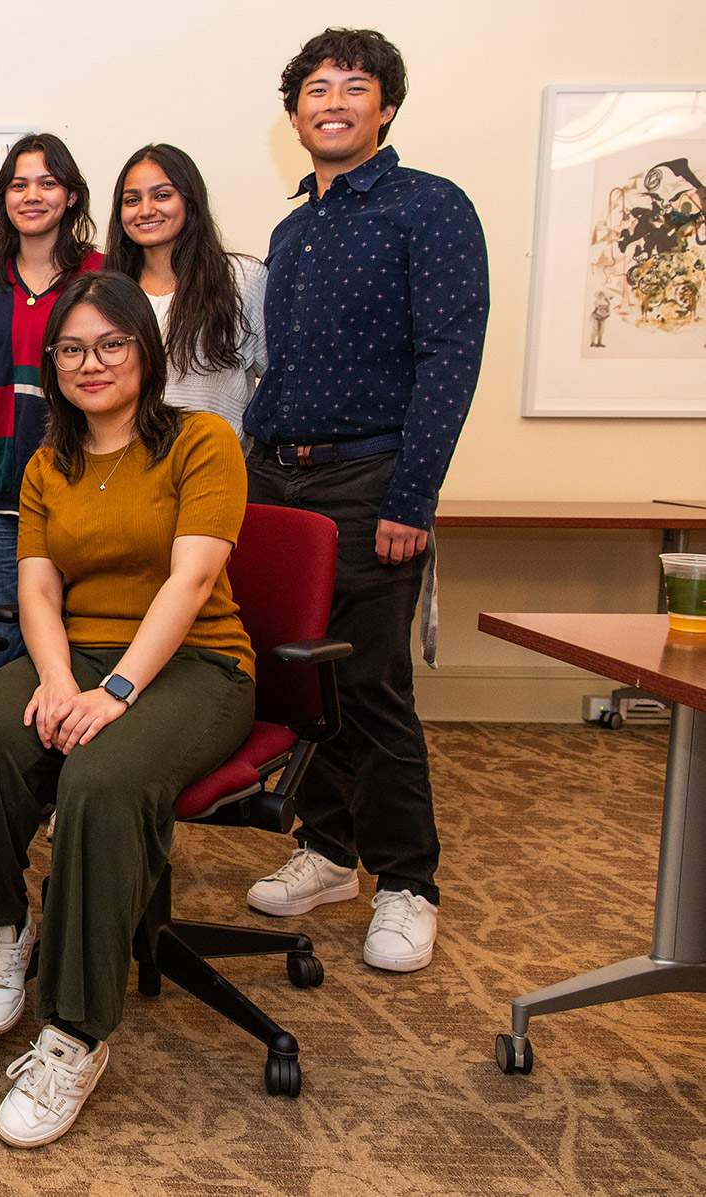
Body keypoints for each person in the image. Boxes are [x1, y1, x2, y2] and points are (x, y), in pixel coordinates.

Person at [0, 270, 255, 1148]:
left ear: (144, 353)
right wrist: (54, 681)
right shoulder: (49, 462)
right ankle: (3, 925)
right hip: (77, 650)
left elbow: (192, 580)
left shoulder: (201, 441)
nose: (91, 362)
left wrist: (115, 692)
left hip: (195, 662)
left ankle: (74, 1031)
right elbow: (37, 590)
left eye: (110, 344)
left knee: (101, 779)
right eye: (71, 349)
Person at [241, 28, 489, 974]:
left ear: (384, 106)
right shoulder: (293, 227)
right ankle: (330, 847)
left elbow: (448, 359)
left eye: (353, 87)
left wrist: (410, 497)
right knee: (301, 676)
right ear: (293, 111)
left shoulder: (428, 207)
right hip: (281, 476)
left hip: (368, 478)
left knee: (372, 683)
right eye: (313, 88)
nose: (331, 101)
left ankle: (407, 883)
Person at [0, 133, 103, 664]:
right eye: (19, 184)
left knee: (77, 635)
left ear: (70, 196)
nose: (32, 195)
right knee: (2, 641)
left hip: (76, 480)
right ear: (4, 197)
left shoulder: (98, 274)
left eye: (47, 183)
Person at [103, 143, 266, 449]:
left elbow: (278, 380)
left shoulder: (241, 279)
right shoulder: (108, 292)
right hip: (129, 478)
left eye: (162, 195)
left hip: (217, 475)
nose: (146, 210)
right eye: (132, 200)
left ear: (190, 201)